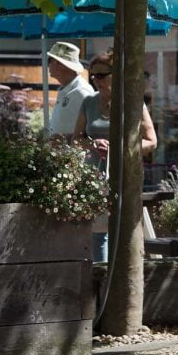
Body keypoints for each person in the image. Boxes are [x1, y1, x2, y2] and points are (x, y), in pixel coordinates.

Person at [74, 52, 158, 263]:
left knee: (125, 233)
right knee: (98, 234)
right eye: (92, 76)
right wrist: (92, 144)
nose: (95, 80)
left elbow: (152, 142)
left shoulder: (132, 103)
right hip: (95, 177)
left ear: (117, 75)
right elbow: (77, 139)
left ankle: (122, 284)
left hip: (124, 176)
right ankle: (102, 286)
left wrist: (118, 148)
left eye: (101, 75)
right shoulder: (89, 102)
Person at [45, 42, 95, 136]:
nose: (49, 65)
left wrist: (65, 139)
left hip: (74, 150)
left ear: (60, 64)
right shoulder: (66, 89)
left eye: (50, 60)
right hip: (64, 150)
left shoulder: (82, 92)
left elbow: (91, 130)